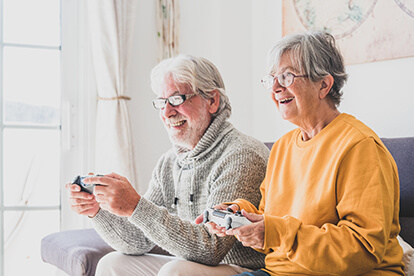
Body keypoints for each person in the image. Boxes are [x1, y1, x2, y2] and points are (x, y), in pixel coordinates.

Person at [197, 31, 404, 275]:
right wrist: (240, 215)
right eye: (272, 78)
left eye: (286, 76)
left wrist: (274, 232)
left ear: (324, 85)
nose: (275, 87)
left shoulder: (359, 146)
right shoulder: (283, 147)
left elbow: (363, 248)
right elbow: (272, 218)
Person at [66, 54, 269, 276]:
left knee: (175, 270)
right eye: (162, 102)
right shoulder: (170, 162)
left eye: (176, 99)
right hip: (198, 266)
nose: (166, 112)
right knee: (112, 263)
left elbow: (211, 249)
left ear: (212, 101)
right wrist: (97, 211)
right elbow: (137, 242)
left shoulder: (241, 155)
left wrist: (136, 206)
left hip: (247, 270)